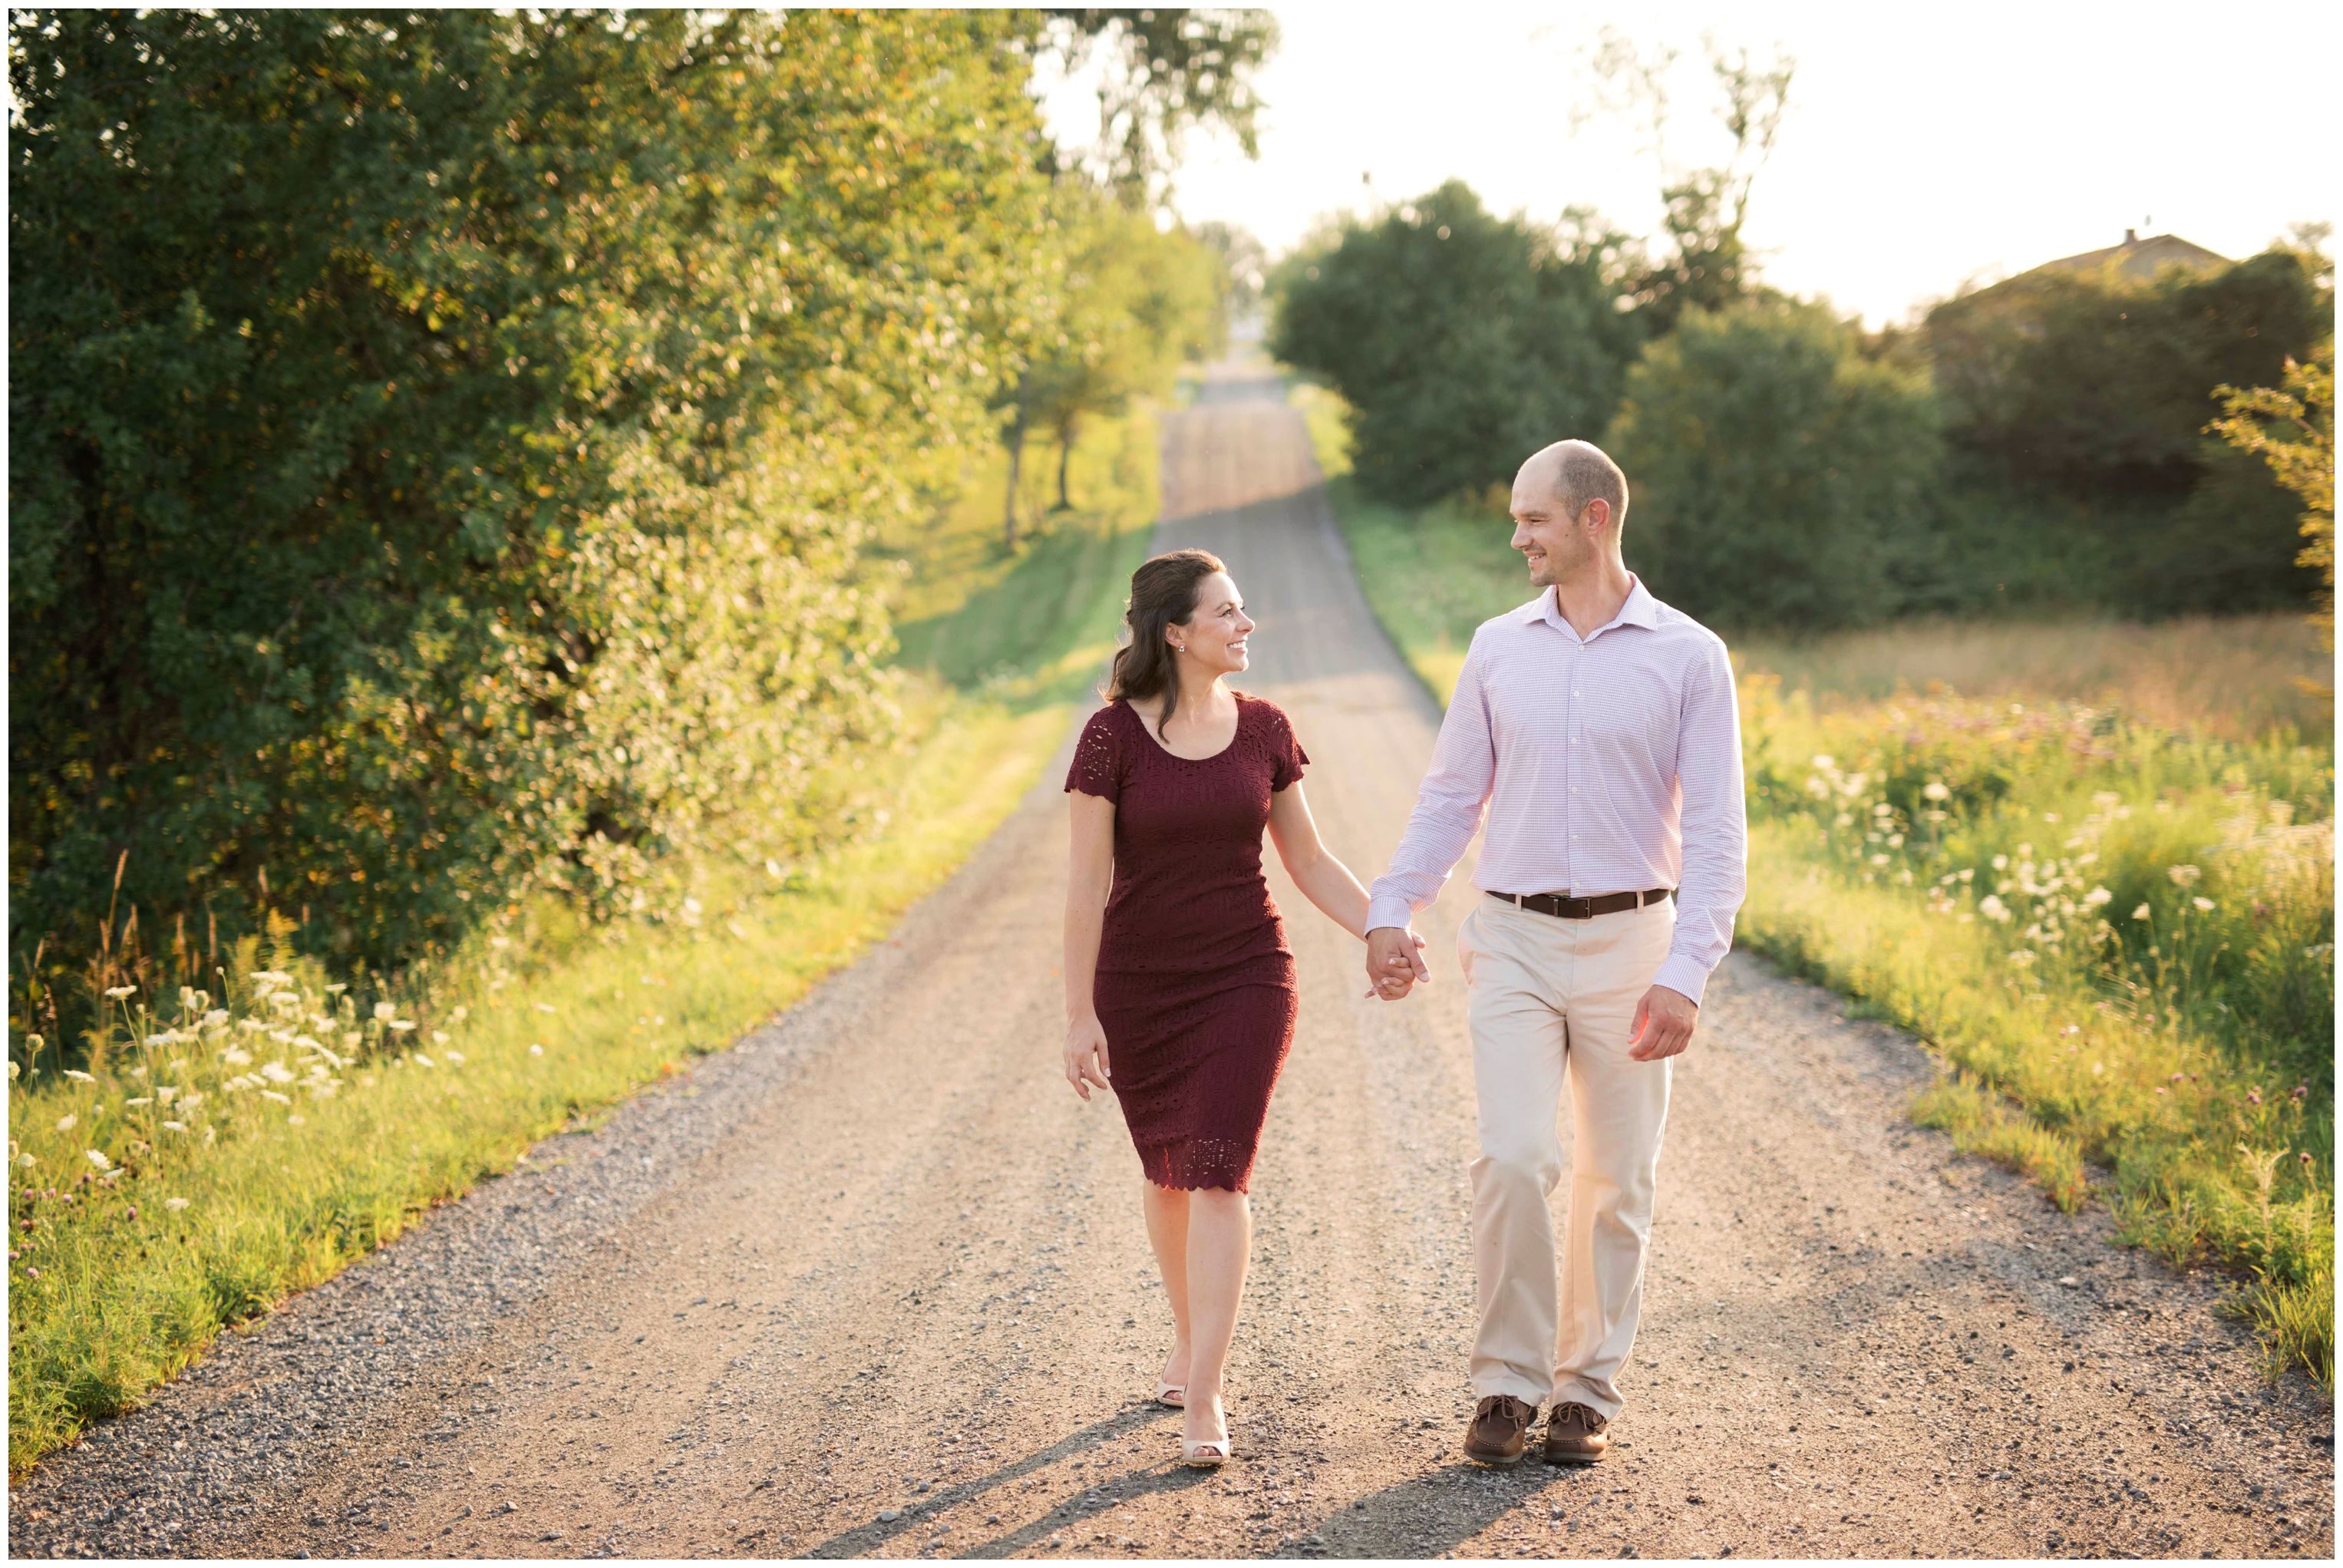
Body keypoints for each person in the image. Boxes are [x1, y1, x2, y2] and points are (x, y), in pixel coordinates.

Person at [1363, 439, 1747, 1468]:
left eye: (1532, 518)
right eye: (1514, 521)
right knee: (1519, 1154)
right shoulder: (1498, 647)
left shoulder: (1688, 655)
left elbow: (1716, 832)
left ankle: (1583, 1389)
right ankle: (1506, 1379)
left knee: (1615, 1176)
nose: (1517, 537)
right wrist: (1393, 902)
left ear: (1594, 518)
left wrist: (1686, 972)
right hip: (1516, 936)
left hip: (1636, 940)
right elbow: (1450, 798)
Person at [1062, 547, 1395, 1468]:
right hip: (1138, 985)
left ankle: (1204, 1390)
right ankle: (1189, 1335)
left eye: (1243, 611)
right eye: (1227, 613)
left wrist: (1385, 926)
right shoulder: (1110, 739)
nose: (1245, 626)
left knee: (1216, 1167)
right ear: (1175, 632)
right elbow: (1085, 888)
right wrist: (1076, 1014)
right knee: (1167, 1172)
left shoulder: (1264, 730)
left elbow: (1311, 862)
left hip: (1247, 975)